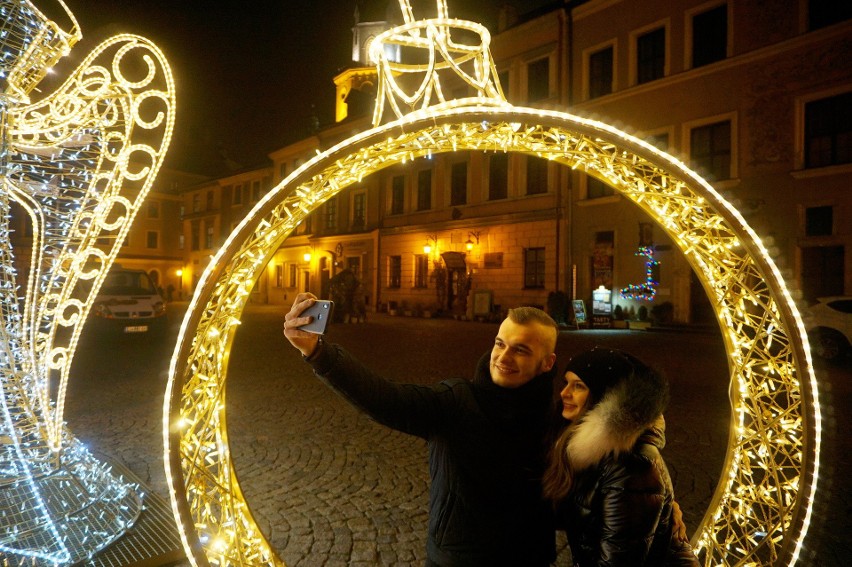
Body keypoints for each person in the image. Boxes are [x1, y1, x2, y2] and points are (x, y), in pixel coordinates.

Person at [283, 293, 560, 566]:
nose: (503, 356)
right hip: (458, 558)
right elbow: (386, 399)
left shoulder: (555, 416)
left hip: (529, 558)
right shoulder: (457, 401)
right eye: (500, 344)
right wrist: (317, 352)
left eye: (521, 349)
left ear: (547, 362)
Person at [542, 347, 700, 566]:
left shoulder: (628, 463)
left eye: (578, 386)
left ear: (604, 396)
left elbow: (619, 560)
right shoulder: (577, 446)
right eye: (566, 383)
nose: (564, 393)